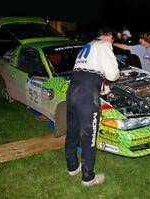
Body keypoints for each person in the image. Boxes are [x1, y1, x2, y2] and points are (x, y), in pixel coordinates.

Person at [65, 27, 120, 187]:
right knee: (89, 136)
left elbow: (91, 73)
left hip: (72, 90)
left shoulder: (87, 46)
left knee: (72, 131)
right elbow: (112, 74)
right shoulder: (105, 45)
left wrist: (105, 89)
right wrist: (117, 74)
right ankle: (88, 178)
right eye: (113, 40)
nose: (112, 43)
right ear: (108, 36)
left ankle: (72, 167)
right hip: (87, 95)